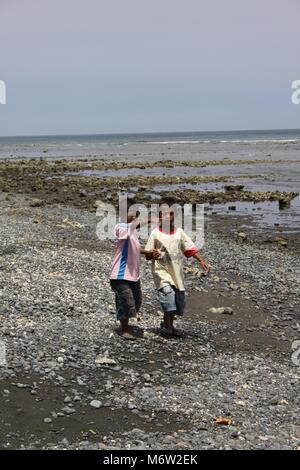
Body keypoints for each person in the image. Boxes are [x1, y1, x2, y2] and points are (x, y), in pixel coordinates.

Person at [145, 198, 210, 336]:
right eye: (164, 213)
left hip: (176, 272)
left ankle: (169, 324)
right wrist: (153, 254)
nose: (168, 216)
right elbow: (148, 254)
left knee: (176, 299)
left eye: (172, 213)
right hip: (161, 271)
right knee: (168, 295)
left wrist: (201, 261)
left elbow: (190, 249)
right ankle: (167, 326)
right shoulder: (155, 233)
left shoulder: (179, 233)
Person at [110, 206, 159, 340]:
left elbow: (136, 248)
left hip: (133, 274)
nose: (132, 217)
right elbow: (130, 229)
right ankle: (124, 328)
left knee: (137, 301)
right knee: (126, 301)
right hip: (120, 274)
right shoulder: (120, 227)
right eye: (129, 215)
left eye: (134, 216)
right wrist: (148, 219)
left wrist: (148, 253)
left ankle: (124, 322)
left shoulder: (133, 232)